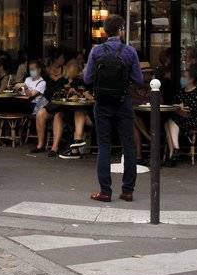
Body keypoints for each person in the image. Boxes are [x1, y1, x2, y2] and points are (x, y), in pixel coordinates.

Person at [84, 14, 143, 202]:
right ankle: (127, 191)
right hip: (123, 102)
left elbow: (87, 79)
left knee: (104, 146)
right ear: (121, 30)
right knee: (129, 147)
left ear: (105, 31)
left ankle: (105, 191)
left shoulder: (96, 52)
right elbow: (139, 80)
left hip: (102, 104)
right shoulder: (130, 52)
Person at [166, 68, 197, 166]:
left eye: (184, 77)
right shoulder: (181, 92)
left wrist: (182, 109)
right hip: (179, 118)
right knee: (168, 122)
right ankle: (173, 154)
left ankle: (175, 151)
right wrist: (178, 108)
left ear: (191, 79)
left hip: (192, 121)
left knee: (170, 121)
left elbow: (195, 112)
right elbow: (174, 106)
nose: (182, 79)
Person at [54, 61, 93, 160]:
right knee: (59, 114)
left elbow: (91, 98)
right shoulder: (62, 81)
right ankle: (55, 147)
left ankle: (77, 143)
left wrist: (81, 94)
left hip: (89, 114)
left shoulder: (83, 82)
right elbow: (55, 94)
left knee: (79, 111)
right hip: (69, 110)